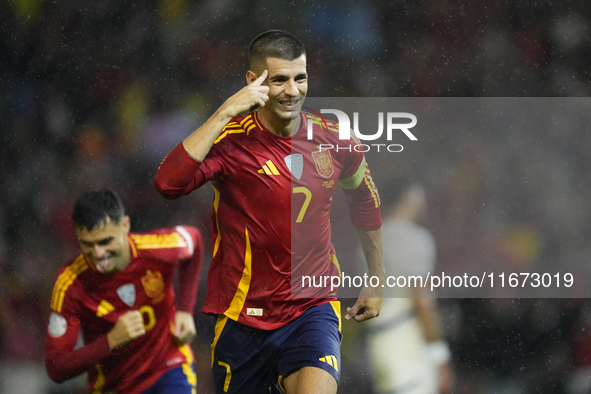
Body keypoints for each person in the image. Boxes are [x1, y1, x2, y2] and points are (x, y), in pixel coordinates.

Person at [154, 30, 384, 394]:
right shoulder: (230, 142)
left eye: (300, 78)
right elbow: (167, 184)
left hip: (312, 306)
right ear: (253, 81)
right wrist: (225, 110)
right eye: (279, 80)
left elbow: (365, 202)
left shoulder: (336, 139)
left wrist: (377, 274)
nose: (292, 91)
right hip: (242, 317)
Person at [45, 189, 204, 394]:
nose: (98, 253)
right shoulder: (70, 283)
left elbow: (195, 241)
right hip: (114, 386)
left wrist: (185, 310)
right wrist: (110, 341)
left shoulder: (157, 249)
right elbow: (56, 367)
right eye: (87, 244)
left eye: (105, 241)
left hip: (168, 367)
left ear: (125, 226)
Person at [365, 178, 453, 394]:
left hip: (377, 344)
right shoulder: (415, 238)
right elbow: (422, 300)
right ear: (410, 198)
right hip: (407, 346)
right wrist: (439, 356)